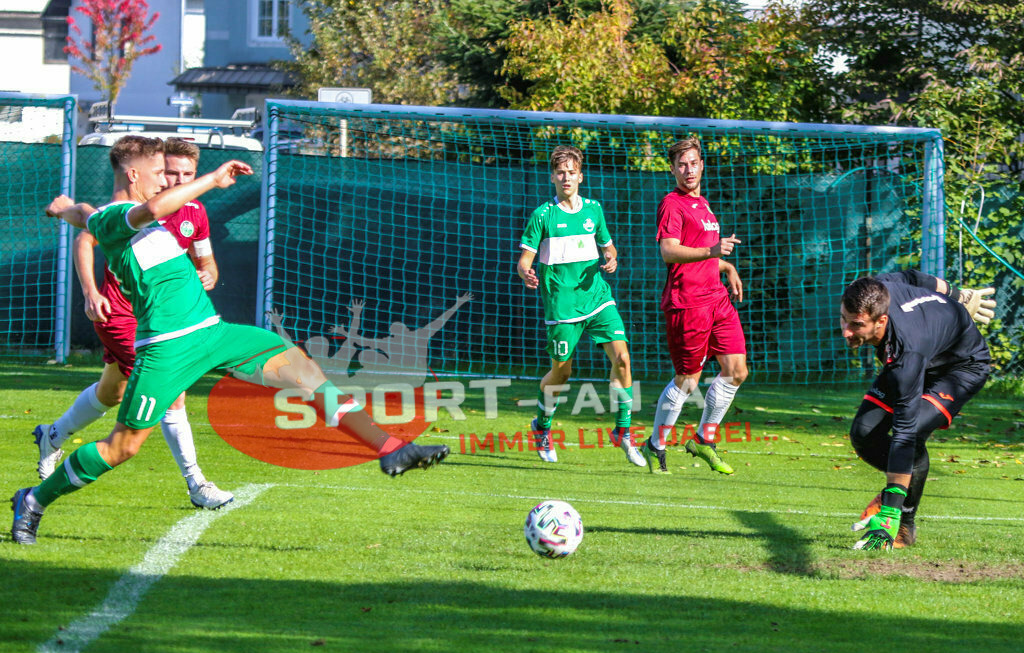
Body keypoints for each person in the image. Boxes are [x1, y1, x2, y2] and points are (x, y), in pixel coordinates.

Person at [10, 135, 448, 545]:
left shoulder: (106, 215)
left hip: (215, 333)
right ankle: (32, 501)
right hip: (167, 347)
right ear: (133, 176)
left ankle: (393, 450)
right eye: (160, 172)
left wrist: (66, 209)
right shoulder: (117, 218)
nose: (166, 179)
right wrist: (212, 180)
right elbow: (142, 210)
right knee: (122, 446)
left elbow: (85, 213)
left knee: (307, 374)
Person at [33, 139, 232, 509]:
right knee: (173, 394)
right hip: (123, 315)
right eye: (168, 172)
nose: (174, 180)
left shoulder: (194, 212)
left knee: (112, 393)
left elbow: (207, 262)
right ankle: (197, 484)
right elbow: (85, 237)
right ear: (144, 173)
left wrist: (208, 274)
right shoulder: (131, 208)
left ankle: (52, 436)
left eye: (186, 174)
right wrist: (91, 291)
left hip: (159, 317)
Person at [841, 269, 995, 550]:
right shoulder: (874, 288)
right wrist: (958, 295)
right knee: (863, 434)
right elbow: (912, 276)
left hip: (960, 368)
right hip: (921, 354)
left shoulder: (906, 352)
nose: (846, 331)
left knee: (911, 439)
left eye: (856, 325)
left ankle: (902, 524)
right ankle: (900, 487)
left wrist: (890, 508)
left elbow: (904, 432)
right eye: (844, 319)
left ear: (881, 320)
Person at [517, 145, 644, 467]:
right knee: (562, 373)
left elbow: (609, 247)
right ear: (552, 177)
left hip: (598, 298)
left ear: (580, 176)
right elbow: (524, 260)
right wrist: (525, 273)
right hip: (562, 305)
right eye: (561, 173)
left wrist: (612, 258)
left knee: (623, 359)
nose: (566, 178)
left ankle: (624, 431)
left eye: (572, 172)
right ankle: (542, 427)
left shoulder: (593, 210)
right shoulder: (543, 216)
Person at [641, 136, 746, 475]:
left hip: (716, 299)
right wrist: (714, 253)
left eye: (693, 163)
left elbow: (701, 256)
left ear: (702, 166)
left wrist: (725, 267)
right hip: (687, 304)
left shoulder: (704, 206)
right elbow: (669, 252)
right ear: (672, 169)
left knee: (737, 371)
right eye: (681, 164)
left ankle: (704, 438)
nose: (688, 169)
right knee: (688, 380)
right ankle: (656, 443)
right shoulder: (672, 204)